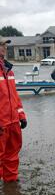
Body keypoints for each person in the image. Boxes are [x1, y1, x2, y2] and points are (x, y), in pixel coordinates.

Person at [0, 37, 27, 183]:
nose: (4, 47)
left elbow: (14, 96)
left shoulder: (8, 70)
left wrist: (21, 115)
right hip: (1, 123)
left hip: (13, 122)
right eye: (1, 45)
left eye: (4, 45)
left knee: (12, 154)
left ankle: (10, 183)